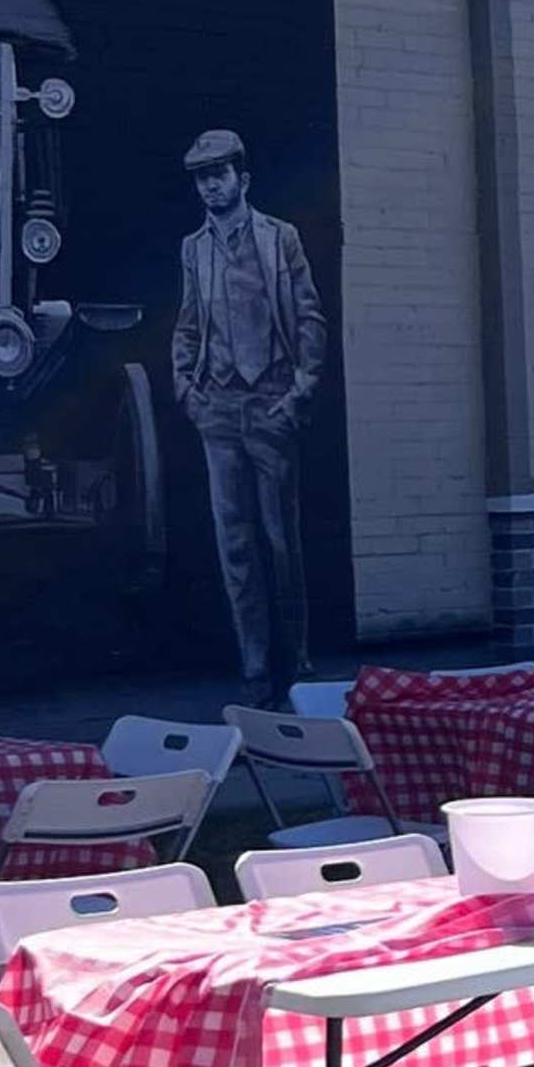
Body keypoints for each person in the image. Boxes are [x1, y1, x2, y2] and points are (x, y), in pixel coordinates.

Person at [170, 124, 328, 700]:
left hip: (271, 401)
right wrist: (186, 388)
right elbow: (188, 323)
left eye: (220, 175)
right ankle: (255, 664)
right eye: (202, 179)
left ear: (243, 178)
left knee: (280, 539)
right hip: (217, 406)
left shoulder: (279, 238)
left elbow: (309, 317)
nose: (212, 187)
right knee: (233, 542)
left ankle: (296, 658)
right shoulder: (194, 249)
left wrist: (300, 391)